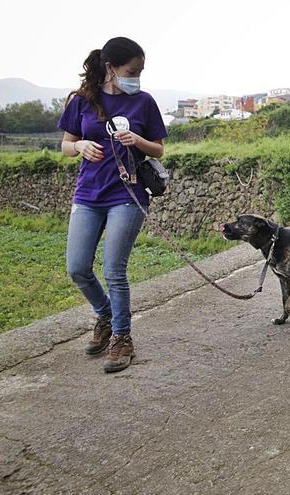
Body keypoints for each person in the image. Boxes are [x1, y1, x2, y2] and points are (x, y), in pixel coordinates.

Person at [58, 37, 168, 373]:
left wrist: (137, 140)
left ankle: (122, 338)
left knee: (114, 270)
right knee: (77, 267)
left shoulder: (144, 102)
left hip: (128, 195)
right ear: (110, 68)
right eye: (132, 71)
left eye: (140, 72)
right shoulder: (81, 101)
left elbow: (159, 150)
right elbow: (65, 144)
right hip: (88, 195)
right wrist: (80, 147)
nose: (137, 78)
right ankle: (105, 316)